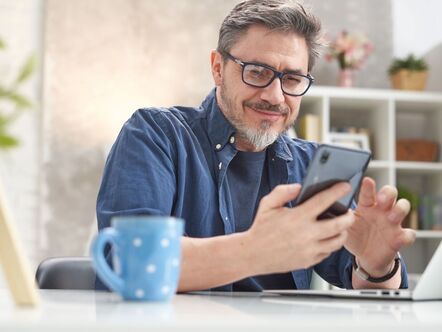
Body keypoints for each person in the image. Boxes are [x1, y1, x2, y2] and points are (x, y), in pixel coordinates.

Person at [96, 0, 416, 292]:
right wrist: (256, 251)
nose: (275, 96)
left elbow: (361, 280)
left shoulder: (310, 164)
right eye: (258, 72)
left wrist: (377, 264)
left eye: (291, 79)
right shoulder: (155, 135)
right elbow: (131, 262)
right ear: (218, 69)